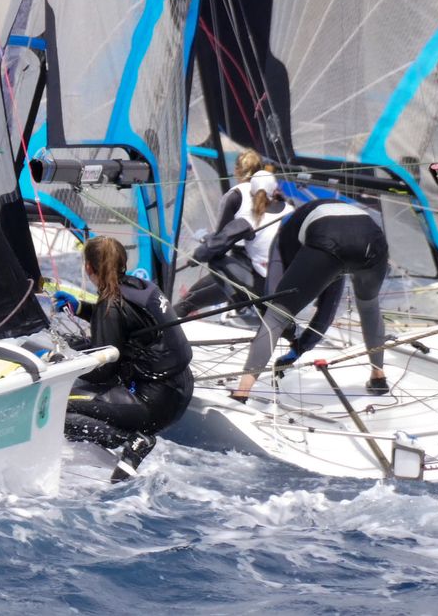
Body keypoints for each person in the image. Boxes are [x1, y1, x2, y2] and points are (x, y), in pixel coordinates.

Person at [59, 235, 194, 480]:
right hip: (179, 390)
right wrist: (80, 307)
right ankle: (131, 437)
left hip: (150, 404)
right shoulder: (142, 287)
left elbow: (103, 373)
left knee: (58, 404)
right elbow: (126, 323)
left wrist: (64, 365)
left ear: (88, 267)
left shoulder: (111, 305)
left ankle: (132, 439)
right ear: (123, 262)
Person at [232, 197, 390, 401]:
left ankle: (242, 393)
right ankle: (379, 377)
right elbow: (327, 310)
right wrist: (299, 349)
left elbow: (271, 301)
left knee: (276, 315)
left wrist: (294, 346)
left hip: (328, 235)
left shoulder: (283, 238)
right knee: (369, 307)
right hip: (373, 239)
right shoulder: (311, 223)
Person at [182, 166, 289, 316]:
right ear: (275, 190)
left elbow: (216, 245)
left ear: (251, 192)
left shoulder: (249, 219)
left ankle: (241, 306)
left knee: (215, 259)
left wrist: (195, 257)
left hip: (263, 291)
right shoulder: (291, 210)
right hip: (288, 285)